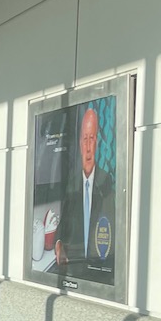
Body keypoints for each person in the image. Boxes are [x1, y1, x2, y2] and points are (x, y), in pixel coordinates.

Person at [53, 105, 114, 273]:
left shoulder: (107, 182)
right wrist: (58, 243)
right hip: (75, 269)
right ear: (80, 143)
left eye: (92, 138)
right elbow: (63, 225)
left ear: (98, 142)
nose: (88, 147)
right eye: (85, 139)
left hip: (99, 270)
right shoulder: (72, 182)